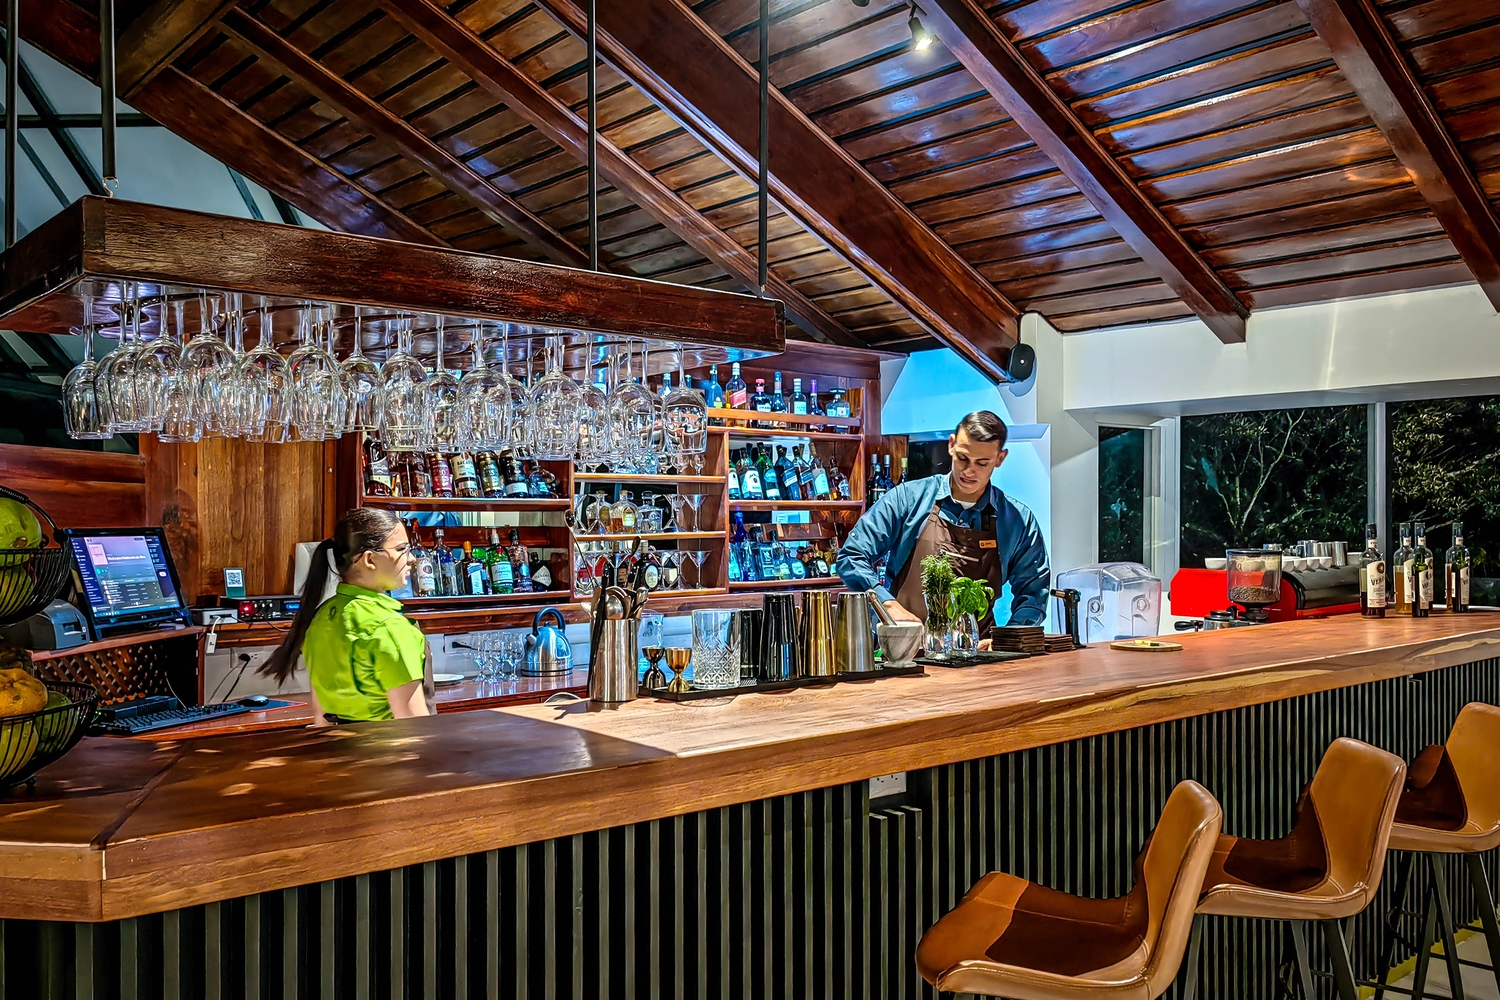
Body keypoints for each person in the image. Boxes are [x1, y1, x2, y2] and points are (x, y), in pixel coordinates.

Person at [836, 411, 1049, 636]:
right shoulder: (907, 499)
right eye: (963, 458)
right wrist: (886, 604)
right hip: (907, 654)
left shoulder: (1017, 520)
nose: (969, 471)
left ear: (1000, 458)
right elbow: (851, 555)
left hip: (982, 658)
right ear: (951, 445)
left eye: (982, 463)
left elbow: (1034, 593)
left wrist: (1007, 641)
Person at [261, 508, 433, 725]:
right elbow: (414, 726)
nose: (412, 559)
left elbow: (320, 717)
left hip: (336, 752)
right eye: (402, 549)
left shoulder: (321, 617)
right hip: (386, 754)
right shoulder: (390, 627)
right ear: (369, 560)